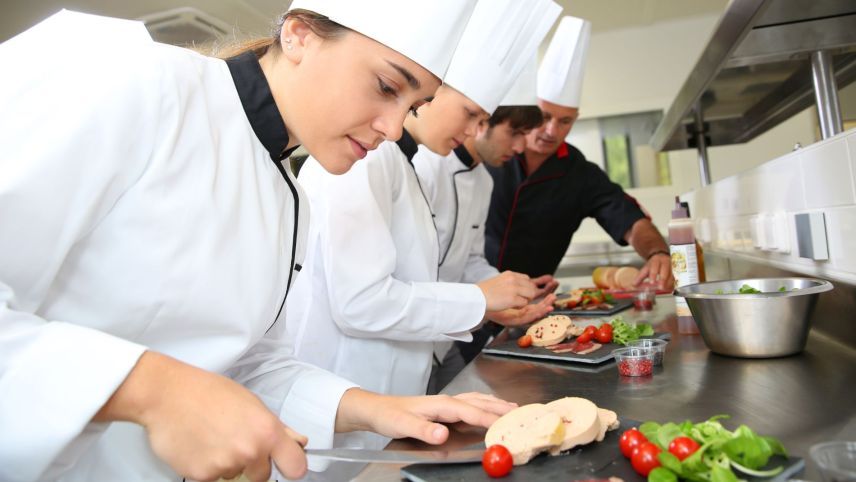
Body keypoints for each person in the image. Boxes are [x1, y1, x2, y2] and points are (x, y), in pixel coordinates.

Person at [0, 3, 523, 481]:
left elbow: (248, 364)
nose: (392, 128)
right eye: (387, 86)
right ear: (298, 36)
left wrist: (377, 406)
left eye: (414, 105)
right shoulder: (127, 79)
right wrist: (149, 389)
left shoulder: (287, 193)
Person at [282, 0, 559, 473]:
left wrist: (495, 295)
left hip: (390, 401)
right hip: (344, 399)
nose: (476, 131)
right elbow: (361, 303)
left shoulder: (399, 165)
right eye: (471, 114)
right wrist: (479, 300)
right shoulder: (364, 160)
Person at [485, 16, 674, 291]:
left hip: (531, 304)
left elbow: (631, 221)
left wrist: (657, 253)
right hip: (471, 296)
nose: (551, 130)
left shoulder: (580, 174)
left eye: (565, 121)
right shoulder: (493, 153)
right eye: (544, 116)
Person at [413, 58, 561, 390]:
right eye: (515, 133)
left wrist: (511, 290)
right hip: (414, 334)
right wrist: (486, 301)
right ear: (483, 123)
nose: (521, 147)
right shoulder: (424, 165)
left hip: (443, 340)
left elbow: (469, 261)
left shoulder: (483, 181)